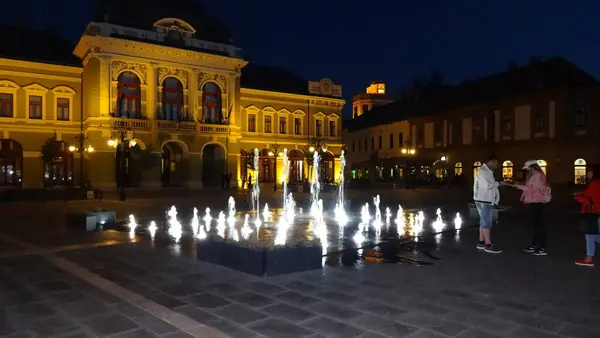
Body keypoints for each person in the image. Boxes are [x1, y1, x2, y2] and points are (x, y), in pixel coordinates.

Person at [506, 160, 550, 256]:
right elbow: (529, 186)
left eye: (528, 168)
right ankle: (534, 245)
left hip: (536, 201)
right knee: (536, 225)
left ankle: (541, 247)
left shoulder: (537, 175)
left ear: (532, 167)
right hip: (532, 201)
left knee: (538, 225)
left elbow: (532, 188)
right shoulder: (534, 175)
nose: (527, 170)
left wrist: (518, 186)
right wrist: (519, 185)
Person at [473, 156, 504, 254]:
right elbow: (487, 186)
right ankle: (488, 245)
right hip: (484, 200)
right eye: (496, 163)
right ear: (490, 162)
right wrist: (499, 183)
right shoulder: (483, 172)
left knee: (483, 221)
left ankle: (481, 242)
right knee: (487, 222)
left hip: (483, 200)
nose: (497, 166)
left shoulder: (487, 172)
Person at [574, 164, 600, 267]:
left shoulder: (595, 184)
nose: (587, 173)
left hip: (593, 212)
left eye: (589, 171)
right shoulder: (596, 183)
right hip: (595, 212)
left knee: (590, 234)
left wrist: (578, 198)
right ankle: (588, 258)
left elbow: (592, 200)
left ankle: (589, 259)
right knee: (592, 235)